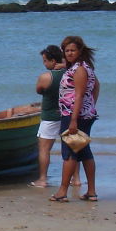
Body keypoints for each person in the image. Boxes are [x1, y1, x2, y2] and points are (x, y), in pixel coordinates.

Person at [49, 36, 99, 203]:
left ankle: (62, 191)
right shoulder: (83, 67)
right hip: (82, 113)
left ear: (80, 51)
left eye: (73, 50)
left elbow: (78, 95)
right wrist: (90, 106)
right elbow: (96, 86)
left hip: (75, 116)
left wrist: (73, 120)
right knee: (84, 152)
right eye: (66, 50)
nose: (69, 53)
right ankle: (91, 192)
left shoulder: (79, 70)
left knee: (69, 153)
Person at [30, 44, 81, 189]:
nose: (44, 64)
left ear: (53, 61)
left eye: (46, 61)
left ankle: (42, 179)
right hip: (67, 115)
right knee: (73, 147)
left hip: (50, 116)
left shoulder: (46, 77)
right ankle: (76, 179)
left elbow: (39, 90)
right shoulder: (71, 73)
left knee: (44, 149)